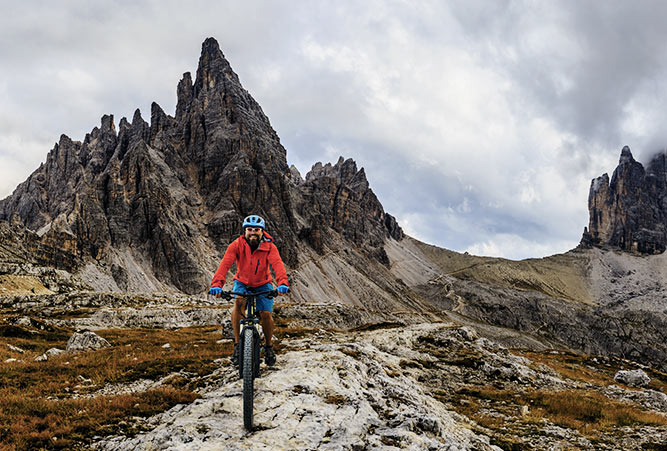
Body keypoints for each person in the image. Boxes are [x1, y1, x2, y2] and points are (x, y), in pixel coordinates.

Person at [209, 215, 289, 366]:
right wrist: (216, 285)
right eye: (249, 229)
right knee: (238, 303)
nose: (253, 232)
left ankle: (268, 346)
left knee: (265, 314)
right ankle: (238, 345)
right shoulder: (236, 245)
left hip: (263, 283)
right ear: (245, 231)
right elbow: (225, 265)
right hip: (242, 282)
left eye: (256, 230)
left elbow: (277, 265)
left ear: (262, 232)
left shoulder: (270, 247)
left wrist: (282, 283)